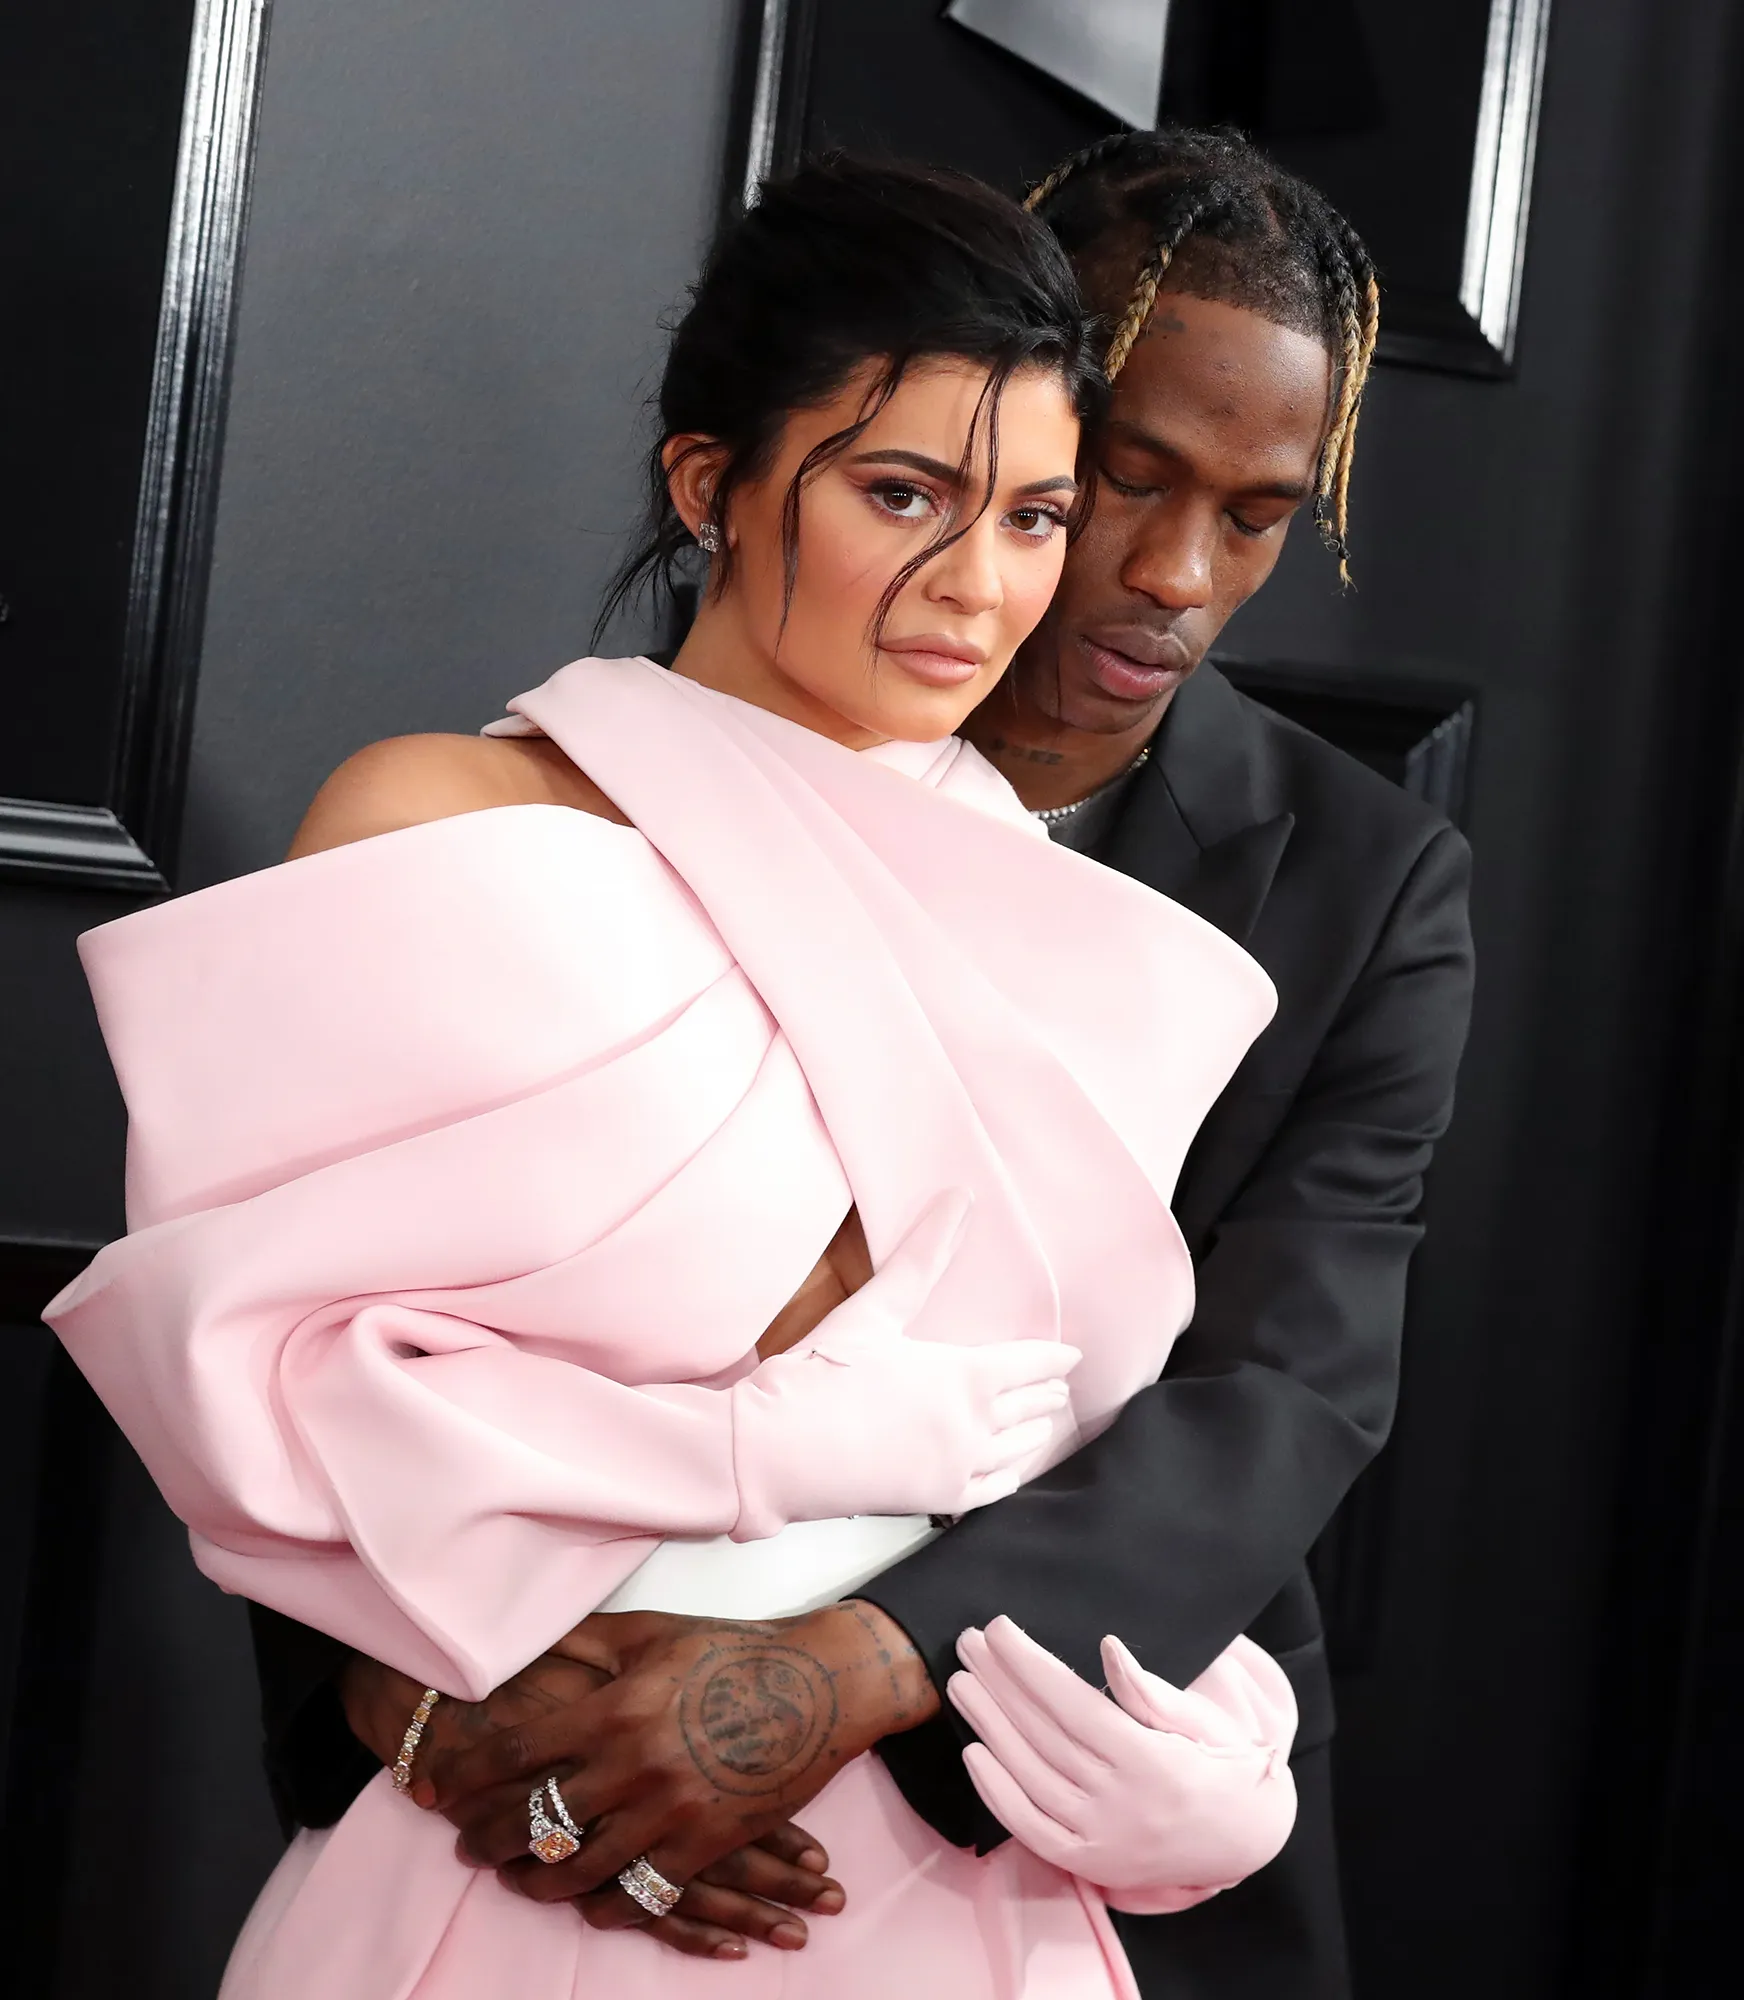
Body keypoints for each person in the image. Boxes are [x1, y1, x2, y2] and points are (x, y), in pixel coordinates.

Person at [48, 157, 1308, 2000]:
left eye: (1036, 517)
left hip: (951, 1880)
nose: (982, 588)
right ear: (709, 483)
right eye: (902, 494)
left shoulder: (1072, 928)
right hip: (516, 1847)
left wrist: (1213, 1730)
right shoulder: (443, 821)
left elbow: (1149, 1444)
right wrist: (470, 1672)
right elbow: (263, 1386)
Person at [302, 127, 1475, 2000]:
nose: (1174, 574)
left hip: (1079, 1765)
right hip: (543, 1772)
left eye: (1257, 518)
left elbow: (1290, 1384)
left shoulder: (1368, 876)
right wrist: (417, 1690)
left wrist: (839, 1671)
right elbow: (320, 1323)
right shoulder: (567, 803)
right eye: (1115, 482)